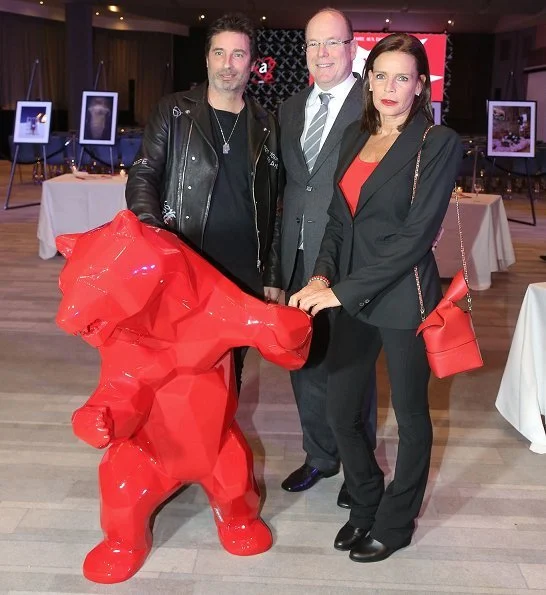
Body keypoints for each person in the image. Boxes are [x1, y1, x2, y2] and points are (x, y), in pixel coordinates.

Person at [289, 33, 462, 562]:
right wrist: (321, 276)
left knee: (411, 419)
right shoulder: (354, 137)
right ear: (369, 80)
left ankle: (396, 520)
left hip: (403, 296)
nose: (389, 87)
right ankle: (365, 503)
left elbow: (415, 239)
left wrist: (341, 290)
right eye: (380, 75)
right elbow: (338, 222)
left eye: (402, 77)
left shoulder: (437, 143)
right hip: (347, 296)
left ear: (420, 86)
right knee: (343, 413)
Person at [126, 13, 282, 391]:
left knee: (230, 379)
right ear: (207, 59)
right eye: (219, 53)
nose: (228, 65)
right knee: (178, 374)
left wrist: (273, 275)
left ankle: (216, 448)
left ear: (252, 63)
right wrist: (155, 239)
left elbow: (278, 205)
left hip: (243, 275)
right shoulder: (175, 110)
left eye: (238, 55)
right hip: (185, 266)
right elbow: (143, 174)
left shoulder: (267, 124)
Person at [277, 8, 377, 506]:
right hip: (296, 256)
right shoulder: (291, 107)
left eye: (332, 43)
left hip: (350, 258)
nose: (321, 54)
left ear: (352, 46)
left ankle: (358, 464)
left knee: (351, 367)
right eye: (314, 44)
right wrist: (276, 266)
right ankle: (320, 454)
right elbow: (290, 189)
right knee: (305, 362)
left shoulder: (374, 104)